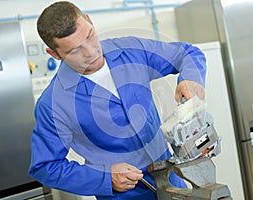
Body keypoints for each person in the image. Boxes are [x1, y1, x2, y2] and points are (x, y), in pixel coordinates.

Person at [28, 1, 206, 200]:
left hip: (172, 181)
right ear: (54, 54)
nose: (90, 52)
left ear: (89, 20)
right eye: (75, 50)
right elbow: (46, 167)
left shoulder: (130, 50)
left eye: (90, 36)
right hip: (123, 196)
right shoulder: (53, 104)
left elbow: (187, 53)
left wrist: (191, 78)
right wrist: (104, 178)